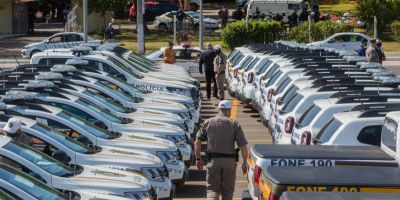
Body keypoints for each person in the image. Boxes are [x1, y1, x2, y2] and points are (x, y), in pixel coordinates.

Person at [195, 100, 248, 200]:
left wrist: (198, 159)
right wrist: (245, 162)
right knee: (227, 192)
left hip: (213, 162)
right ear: (229, 110)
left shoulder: (208, 122)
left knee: (212, 190)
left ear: (219, 109)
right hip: (229, 163)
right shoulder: (234, 124)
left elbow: (197, 141)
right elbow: (243, 145)